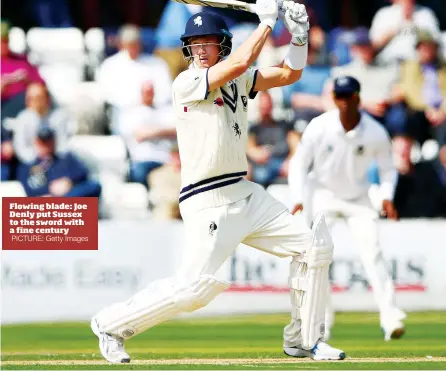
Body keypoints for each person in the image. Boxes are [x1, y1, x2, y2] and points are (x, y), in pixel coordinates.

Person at [91, 1, 346, 364]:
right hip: (206, 199)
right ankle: (111, 325)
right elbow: (241, 62)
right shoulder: (187, 82)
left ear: (222, 44)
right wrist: (267, 23)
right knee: (195, 290)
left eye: (208, 42)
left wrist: (300, 36)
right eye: (194, 43)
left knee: (312, 248)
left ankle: (303, 340)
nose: (200, 49)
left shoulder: (238, 80)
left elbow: (290, 74)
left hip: (244, 194)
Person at [288, 76, 407, 342]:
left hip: (358, 198)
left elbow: (388, 169)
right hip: (322, 197)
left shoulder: (375, 131)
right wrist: (298, 196)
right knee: (318, 261)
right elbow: (299, 164)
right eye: (338, 97)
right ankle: (321, 326)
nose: (342, 102)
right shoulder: (320, 127)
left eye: (347, 96)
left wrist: (387, 196)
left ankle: (391, 318)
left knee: (373, 254)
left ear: (357, 98)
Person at [119, 81, 176, 187]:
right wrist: (162, 131)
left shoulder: (163, 111)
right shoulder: (133, 113)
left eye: (151, 91)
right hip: (142, 160)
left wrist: (151, 131)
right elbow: (140, 135)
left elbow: (176, 130)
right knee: (140, 174)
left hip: (164, 160)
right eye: (146, 91)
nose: (149, 94)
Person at [16, 126, 101, 198]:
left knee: (94, 185)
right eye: (43, 142)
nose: (46, 145)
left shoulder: (66, 159)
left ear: (54, 141)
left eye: (49, 141)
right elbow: (29, 189)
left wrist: (69, 182)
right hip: (46, 204)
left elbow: (83, 173)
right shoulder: (28, 166)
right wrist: (50, 189)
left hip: (69, 198)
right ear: (36, 142)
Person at [13, 82, 75, 164]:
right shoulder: (23, 118)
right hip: (32, 162)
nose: (34, 102)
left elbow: (63, 144)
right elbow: (20, 147)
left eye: (38, 98)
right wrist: (38, 157)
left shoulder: (59, 116)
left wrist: (52, 158)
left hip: (56, 161)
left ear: (47, 99)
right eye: (30, 98)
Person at [247, 90, 299, 187]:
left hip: (283, 163)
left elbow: (295, 145)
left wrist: (290, 161)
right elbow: (250, 148)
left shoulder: (284, 125)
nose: (265, 106)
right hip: (263, 166)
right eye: (263, 103)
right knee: (261, 175)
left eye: (267, 102)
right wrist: (258, 154)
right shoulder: (254, 129)